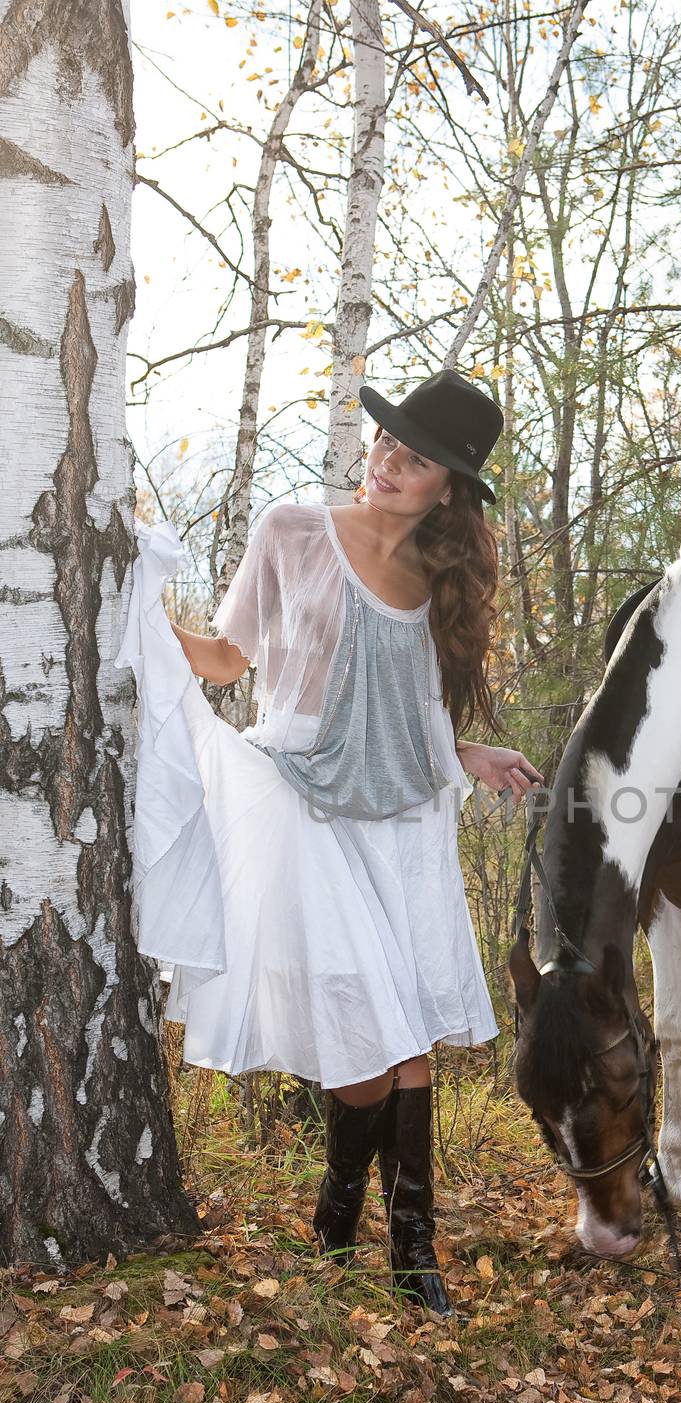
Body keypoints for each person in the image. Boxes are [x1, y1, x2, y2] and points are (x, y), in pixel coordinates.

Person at [116, 369, 544, 1317]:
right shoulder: (293, 531)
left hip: (401, 816)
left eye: (419, 460)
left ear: (451, 488)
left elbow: (412, 704)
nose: (391, 464)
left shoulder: (445, 578)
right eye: (390, 443)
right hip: (300, 800)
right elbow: (229, 660)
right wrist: (142, 603)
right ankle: (341, 1217)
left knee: (414, 1046)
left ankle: (402, 1247)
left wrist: (466, 750)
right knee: (368, 1038)